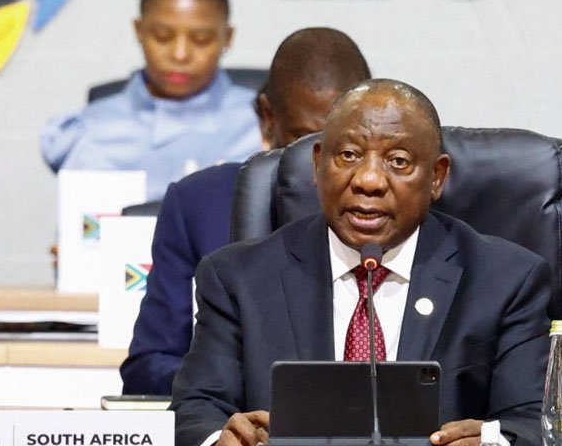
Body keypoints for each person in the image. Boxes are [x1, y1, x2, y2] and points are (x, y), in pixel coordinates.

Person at [171, 79, 552, 446]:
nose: (369, 180)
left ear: (437, 177)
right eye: (349, 156)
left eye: (398, 161)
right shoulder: (238, 279)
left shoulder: (505, 281)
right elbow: (196, 411)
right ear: (318, 165)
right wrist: (219, 440)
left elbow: (533, 422)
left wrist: (491, 442)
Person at [119, 27, 372, 395]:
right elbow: (148, 366)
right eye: (309, 142)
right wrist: (237, 388)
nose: (326, 167)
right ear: (268, 117)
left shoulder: (398, 212)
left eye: (347, 148)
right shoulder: (199, 204)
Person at [39, 0, 260, 201]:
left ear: (228, 37)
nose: (180, 55)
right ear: (139, 31)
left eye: (201, 39)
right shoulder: (89, 133)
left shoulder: (263, 126)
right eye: (163, 37)